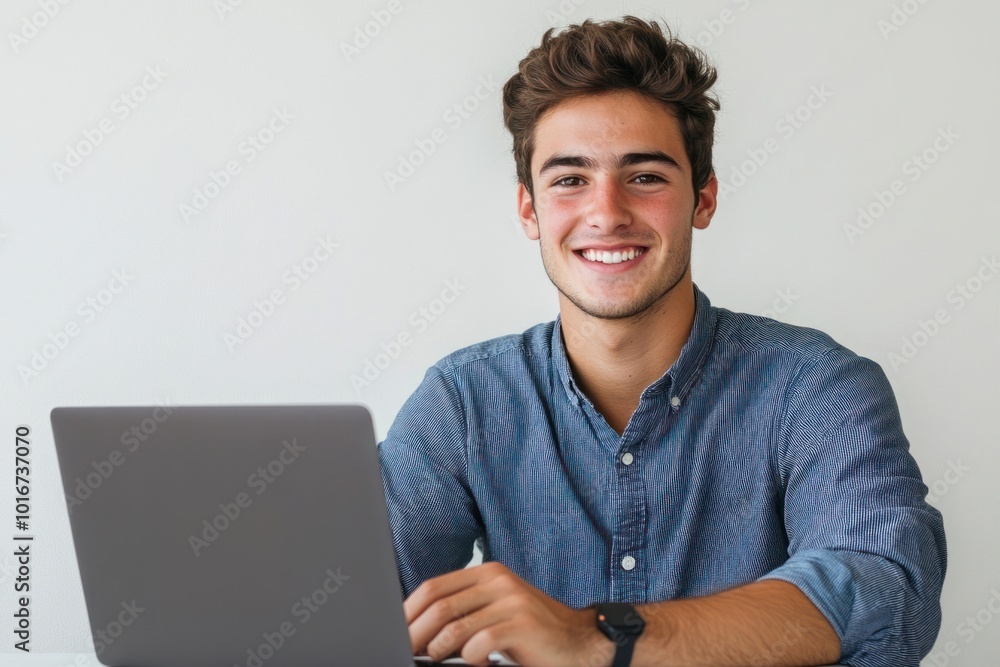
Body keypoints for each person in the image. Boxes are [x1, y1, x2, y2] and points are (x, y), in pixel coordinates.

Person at [377, 15, 946, 667]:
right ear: (529, 210)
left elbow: (883, 591)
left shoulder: (818, 388)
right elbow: (352, 601)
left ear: (702, 199)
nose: (607, 210)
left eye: (645, 176)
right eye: (569, 179)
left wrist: (594, 634)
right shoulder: (464, 401)